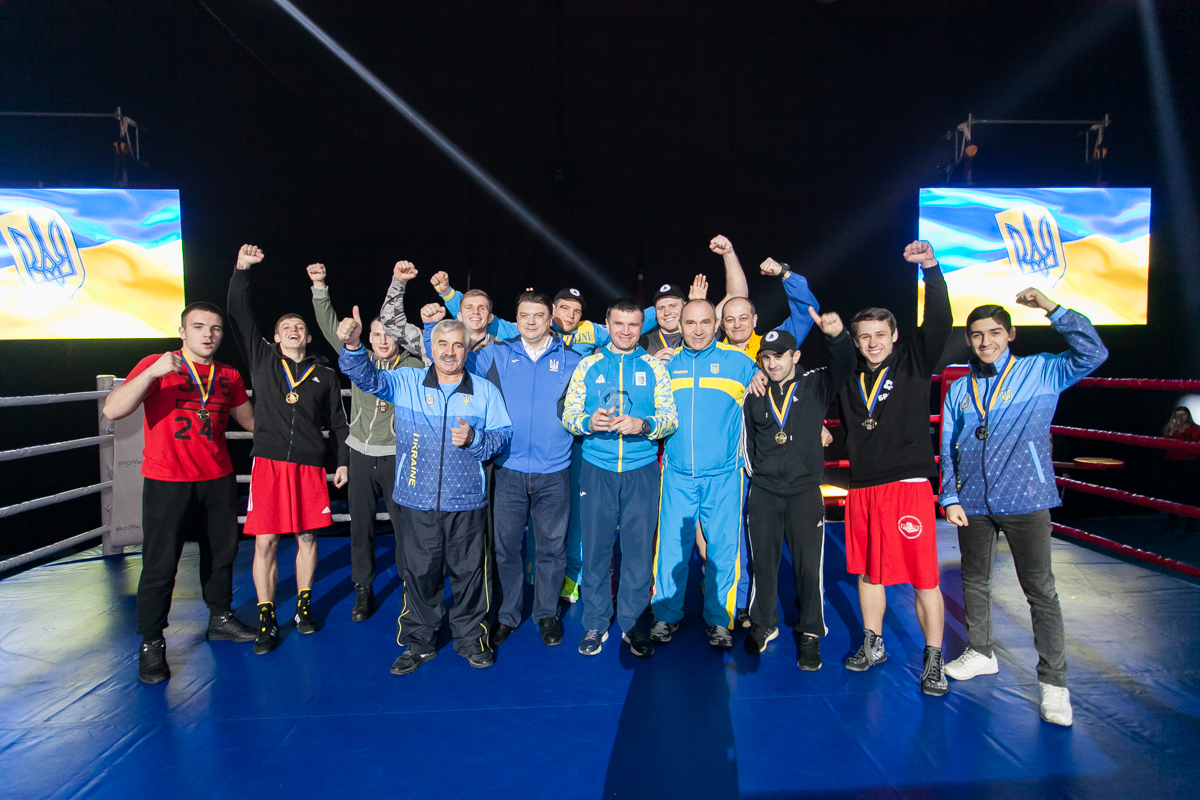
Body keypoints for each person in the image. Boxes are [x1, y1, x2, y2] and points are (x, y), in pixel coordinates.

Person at [940, 288, 1108, 727]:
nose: (986, 342)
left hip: (1027, 498)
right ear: (968, 339)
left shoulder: (1042, 371)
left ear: (1011, 334)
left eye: (995, 332)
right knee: (973, 581)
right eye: (977, 335)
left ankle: (1053, 683)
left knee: (1040, 591)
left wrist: (1052, 309)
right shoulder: (960, 389)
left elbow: (1093, 352)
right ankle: (980, 651)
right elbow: (949, 445)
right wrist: (950, 496)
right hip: (973, 502)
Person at [338, 310, 513, 675]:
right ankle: (419, 642)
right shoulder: (407, 381)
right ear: (431, 349)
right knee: (418, 574)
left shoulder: (485, 391)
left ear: (467, 350)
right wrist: (353, 346)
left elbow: (502, 437)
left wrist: (476, 439)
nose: (449, 352)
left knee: (470, 575)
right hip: (417, 501)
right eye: (442, 344)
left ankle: (471, 639)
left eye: (457, 345)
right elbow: (366, 378)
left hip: (467, 502)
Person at [104, 301, 258, 683]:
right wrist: (151, 373)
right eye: (199, 326)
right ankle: (152, 642)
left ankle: (220, 618)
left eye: (215, 328)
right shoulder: (158, 364)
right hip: (167, 479)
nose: (208, 334)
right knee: (160, 564)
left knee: (221, 554)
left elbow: (252, 422)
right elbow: (113, 410)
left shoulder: (228, 375)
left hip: (217, 478)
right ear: (183, 332)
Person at [836, 240, 953, 696]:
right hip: (863, 487)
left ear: (895, 335)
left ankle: (933, 657)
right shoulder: (848, 376)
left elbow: (939, 321)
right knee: (868, 572)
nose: (873, 343)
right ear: (856, 340)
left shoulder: (913, 363)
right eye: (865, 336)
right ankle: (873, 642)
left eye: (880, 334)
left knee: (924, 577)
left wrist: (931, 269)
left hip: (907, 486)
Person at [227, 244, 350, 656]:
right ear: (276, 337)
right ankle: (266, 615)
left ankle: (303, 607)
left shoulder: (325, 374)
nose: (294, 329)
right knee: (265, 542)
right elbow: (239, 312)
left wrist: (343, 463)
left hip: (309, 466)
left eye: (300, 326)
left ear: (308, 336)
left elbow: (339, 423)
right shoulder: (262, 359)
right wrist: (242, 270)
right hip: (270, 463)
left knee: (308, 537)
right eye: (286, 327)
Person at [562, 298, 678, 657]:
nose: (626, 331)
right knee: (596, 549)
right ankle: (596, 622)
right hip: (597, 469)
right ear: (607, 325)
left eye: (633, 325)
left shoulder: (654, 367)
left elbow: (670, 418)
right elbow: (569, 414)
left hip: (641, 471)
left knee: (639, 552)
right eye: (619, 324)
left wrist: (643, 424)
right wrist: (588, 422)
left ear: (640, 327)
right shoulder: (589, 365)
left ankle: (633, 623)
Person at [309, 260, 424, 621]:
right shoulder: (360, 360)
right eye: (376, 334)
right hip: (360, 454)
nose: (383, 340)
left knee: (404, 527)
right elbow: (331, 328)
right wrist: (320, 287)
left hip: (398, 457)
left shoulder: (415, 366)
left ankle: (410, 588)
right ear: (369, 338)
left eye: (389, 334)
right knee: (360, 527)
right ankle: (363, 588)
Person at [743, 315, 855, 670]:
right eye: (766, 357)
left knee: (809, 567)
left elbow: (845, 363)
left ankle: (810, 632)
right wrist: (760, 477)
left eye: (780, 356)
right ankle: (763, 623)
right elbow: (748, 443)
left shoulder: (816, 384)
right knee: (763, 563)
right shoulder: (754, 394)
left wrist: (836, 335)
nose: (773, 363)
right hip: (764, 491)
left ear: (796, 356)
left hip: (805, 491)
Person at [649, 300, 763, 648]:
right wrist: (652, 365)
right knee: (671, 548)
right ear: (679, 326)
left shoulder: (741, 363)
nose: (697, 330)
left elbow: (777, 394)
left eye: (705, 322)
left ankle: (719, 620)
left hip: (725, 475)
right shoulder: (666, 365)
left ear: (716, 325)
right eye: (690, 323)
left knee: (723, 550)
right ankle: (666, 615)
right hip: (677, 474)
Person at [474, 292, 582, 646]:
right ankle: (507, 615)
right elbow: (451, 361)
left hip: (555, 470)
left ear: (551, 319)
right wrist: (433, 326)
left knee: (551, 547)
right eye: (524, 315)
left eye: (538, 315)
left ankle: (547, 613)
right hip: (507, 468)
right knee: (506, 547)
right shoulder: (494, 354)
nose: (531, 321)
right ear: (516, 319)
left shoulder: (574, 360)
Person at [1162, 406, 1200, 533]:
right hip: (1172, 463)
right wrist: (1172, 431)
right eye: (1177, 415)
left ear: (1188, 416)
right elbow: (1164, 444)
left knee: (1190, 494)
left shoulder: (1196, 428)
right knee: (1171, 494)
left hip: (1189, 464)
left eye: (1183, 415)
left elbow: (1194, 442)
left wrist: (1182, 431)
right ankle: (1172, 522)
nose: (1180, 418)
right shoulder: (1169, 427)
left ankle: (1190, 525)